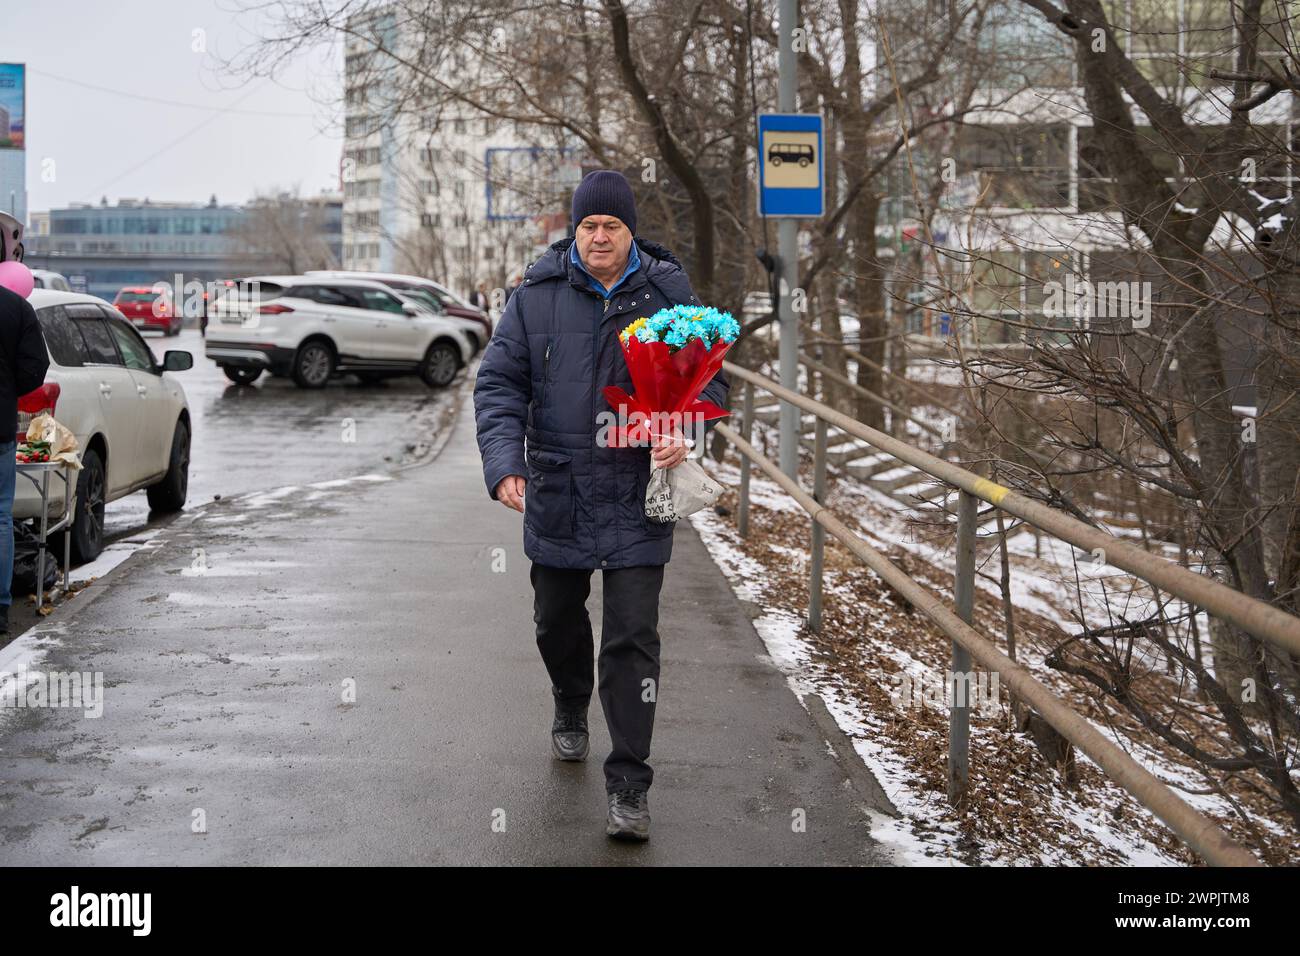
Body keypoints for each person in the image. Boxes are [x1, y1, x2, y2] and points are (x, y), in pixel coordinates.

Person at [473, 169, 728, 842]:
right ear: (574, 229)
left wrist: (687, 430)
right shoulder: (536, 296)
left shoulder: (667, 294)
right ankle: (568, 699)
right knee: (556, 620)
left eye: (611, 226)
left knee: (631, 641)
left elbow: (713, 382)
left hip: (637, 496)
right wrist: (503, 466)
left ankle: (629, 786)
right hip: (556, 487)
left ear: (630, 230)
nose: (599, 238)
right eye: (588, 225)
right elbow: (498, 383)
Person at [0, 279, 52, 635]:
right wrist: (7, 390)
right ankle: (0, 608)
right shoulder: (16, 308)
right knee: (1, 516)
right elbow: (36, 365)